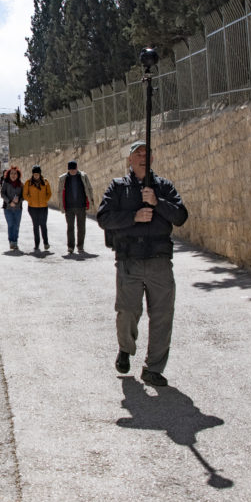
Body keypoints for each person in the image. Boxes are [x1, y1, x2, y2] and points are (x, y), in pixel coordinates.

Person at [96, 140, 188, 387]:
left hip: (159, 260)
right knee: (127, 310)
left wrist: (158, 202)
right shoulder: (118, 187)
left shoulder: (163, 187)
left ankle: (153, 368)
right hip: (130, 260)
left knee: (162, 315)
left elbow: (180, 216)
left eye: (147, 153)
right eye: (138, 153)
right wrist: (133, 217)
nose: (143, 157)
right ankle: (125, 348)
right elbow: (104, 217)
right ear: (130, 159)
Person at [57, 160, 94, 254]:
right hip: (69, 207)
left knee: (81, 227)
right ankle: (70, 247)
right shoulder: (63, 178)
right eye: (71, 170)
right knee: (70, 228)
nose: (72, 171)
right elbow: (60, 192)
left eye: (74, 169)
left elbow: (89, 188)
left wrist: (90, 201)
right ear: (68, 170)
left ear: (77, 168)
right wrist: (61, 205)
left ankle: (80, 246)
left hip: (81, 206)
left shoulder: (83, 176)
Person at [22, 165, 52, 252]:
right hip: (32, 207)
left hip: (43, 207)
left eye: (37, 174)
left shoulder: (45, 182)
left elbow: (49, 193)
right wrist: (30, 200)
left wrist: (45, 200)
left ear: (40, 174)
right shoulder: (28, 183)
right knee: (35, 225)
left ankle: (46, 243)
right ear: (32, 174)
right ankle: (37, 244)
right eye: (34, 174)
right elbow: (25, 194)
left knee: (43, 225)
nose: (36, 176)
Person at [1, 166, 24, 251]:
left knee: (16, 226)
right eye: (11, 173)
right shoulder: (6, 183)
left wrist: (19, 200)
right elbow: (2, 194)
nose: (13, 175)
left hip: (18, 208)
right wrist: (9, 201)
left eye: (15, 173)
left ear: (18, 175)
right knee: (10, 225)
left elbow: (24, 196)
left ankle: (15, 241)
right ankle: (11, 241)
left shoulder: (21, 184)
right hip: (8, 208)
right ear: (8, 174)